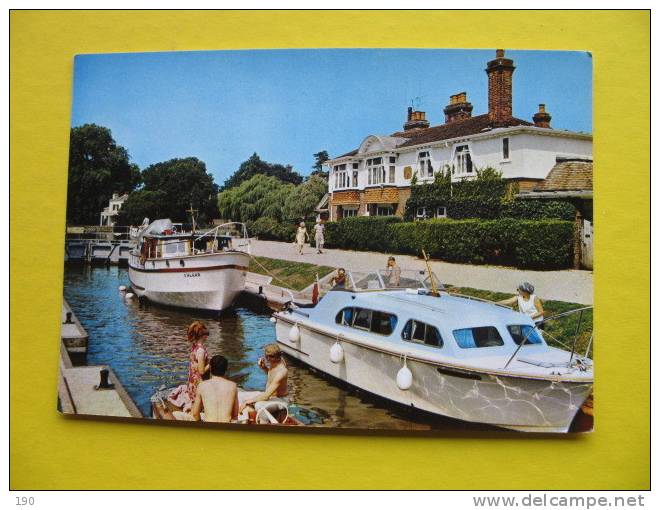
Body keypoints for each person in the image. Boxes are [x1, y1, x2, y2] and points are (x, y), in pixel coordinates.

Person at [167, 320, 210, 413]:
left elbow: (194, 364)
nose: (207, 336)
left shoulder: (194, 347)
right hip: (199, 383)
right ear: (203, 335)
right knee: (200, 406)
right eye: (206, 333)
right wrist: (211, 364)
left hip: (192, 381)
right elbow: (202, 371)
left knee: (194, 400)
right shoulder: (201, 350)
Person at [238, 344, 289, 418]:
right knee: (239, 395)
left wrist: (248, 401)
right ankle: (243, 420)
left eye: (271, 356)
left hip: (280, 400)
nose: (268, 358)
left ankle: (263, 423)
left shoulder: (282, 371)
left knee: (258, 405)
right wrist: (264, 368)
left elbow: (266, 395)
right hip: (270, 396)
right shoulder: (273, 362)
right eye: (266, 356)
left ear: (278, 356)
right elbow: (272, 377)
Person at [191, 355, 239, 423]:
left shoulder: (202, 386)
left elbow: (195, 414)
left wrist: (200, 422)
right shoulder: (233, 386)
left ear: (210, 368)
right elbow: (235, 416)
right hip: (226, 429)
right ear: (226, 369)